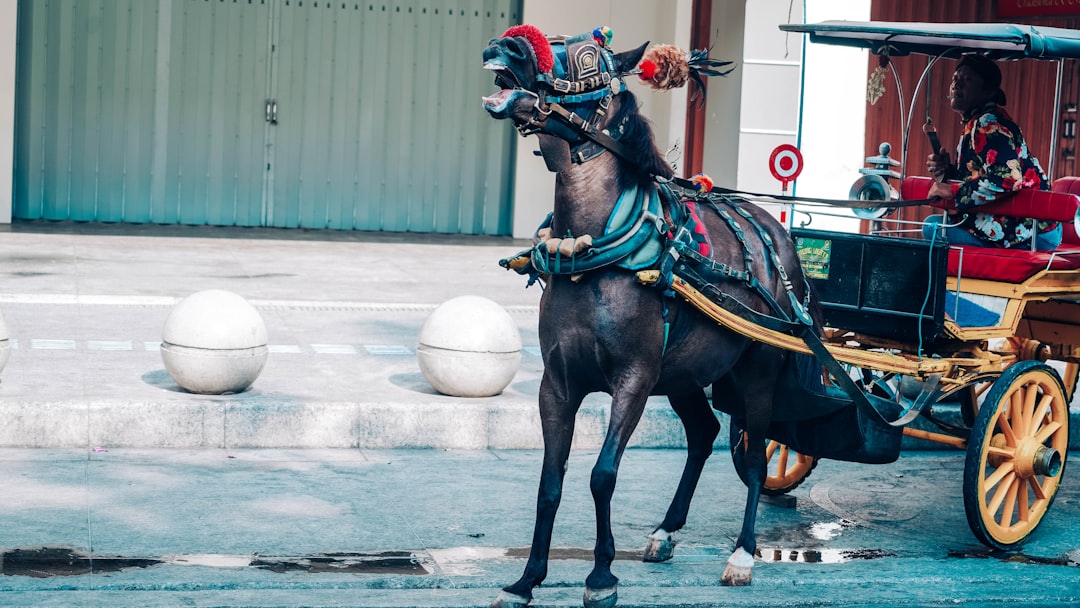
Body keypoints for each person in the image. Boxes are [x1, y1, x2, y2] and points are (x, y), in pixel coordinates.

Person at [924, 54, 1062, 250]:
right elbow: (985, 176)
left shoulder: (989, 124)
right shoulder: (977, 122)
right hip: (1026, 225)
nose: (956, 84)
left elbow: (1007, 180)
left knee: (933, 228)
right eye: (955, 78)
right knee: (936, 224)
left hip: (1033, 231)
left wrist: (952, 191)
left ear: (988, 91)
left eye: (967, 79)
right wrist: (948, 172)